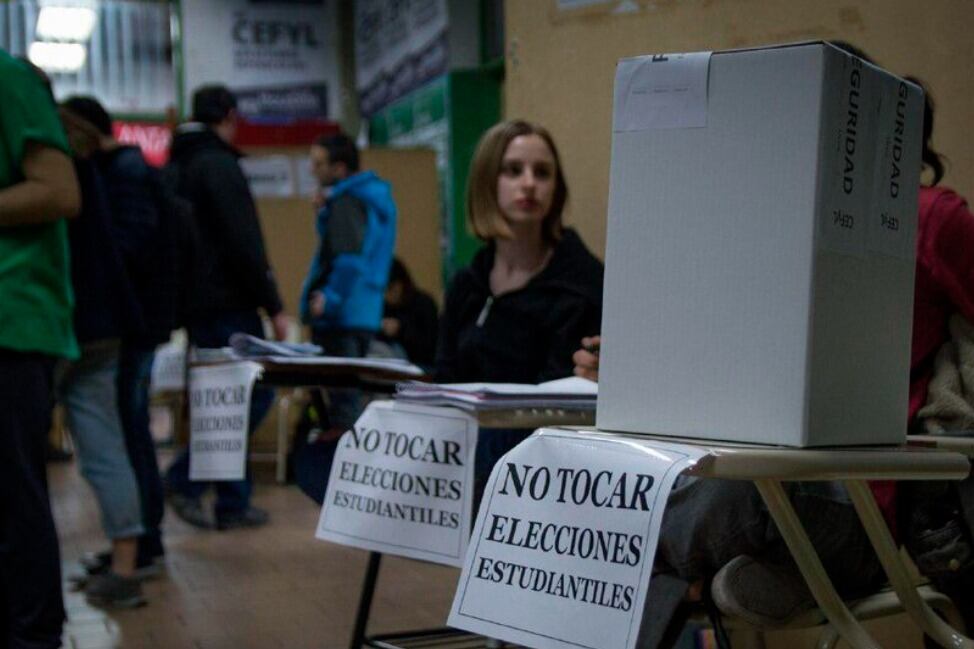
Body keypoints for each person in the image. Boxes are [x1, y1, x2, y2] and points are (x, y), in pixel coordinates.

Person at [572, 78, 974, 647]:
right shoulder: (765, 216)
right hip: (757, 469)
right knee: (595, 475)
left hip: (851, 494)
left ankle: (701, 581)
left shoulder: (931, 215)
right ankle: (750, 579)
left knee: (702, 494)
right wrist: (644, 364)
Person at [435, 119, 603, 492]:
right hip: (461, 436)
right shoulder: (467, 283)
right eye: (513, 170)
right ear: (486, 182)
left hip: (541, 458)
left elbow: (561, 402)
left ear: (556, 188)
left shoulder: (583, 284)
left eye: (542, 173)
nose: (529, 183)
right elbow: (444, 376)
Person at [164, 85, 287, 531]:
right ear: (230, 115)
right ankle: (186, 480)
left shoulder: (176, 165)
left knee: (222, 403)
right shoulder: (217, 165)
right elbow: (243, 241)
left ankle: (233, 502)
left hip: (195, 306)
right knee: (253, 395)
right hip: (229, 303)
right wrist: (273, 303)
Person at [61, 95, 170, 581]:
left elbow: (132, 244)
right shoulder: (110, 169)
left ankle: (142, 545)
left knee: (125, 436)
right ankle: (134, 550)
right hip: (119, 320)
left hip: (114, 320)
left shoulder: (118, 171)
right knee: (119, 437)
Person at [0, 46, 81, 648]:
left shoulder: (7, 77)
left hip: (13, 317)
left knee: (12, 494)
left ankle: (35, 637)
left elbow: (59, 191)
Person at [54, 106, 148, 608]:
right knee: (107, 447)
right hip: (106, 322)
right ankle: (125, 566)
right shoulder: (89, 164)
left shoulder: (41, 163)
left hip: (51, 320)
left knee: (20, 457)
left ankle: (30, 574)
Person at [300, 132, 397, 434]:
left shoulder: (349, 201)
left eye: (318, 164)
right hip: (364, 312)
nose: (312, 170)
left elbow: (348, 258)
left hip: (340, 315)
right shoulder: (373, 198)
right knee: (350, 401)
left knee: (342, 411)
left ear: (339, 169)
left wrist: (328, 297)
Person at [375, 258, 438, 369]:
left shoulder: (423, 304)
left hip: (420, 364)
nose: (386, 295)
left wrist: (401, 329)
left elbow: (429, 344)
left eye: (390, 288)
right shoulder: (383, 306)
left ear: (401, 284)